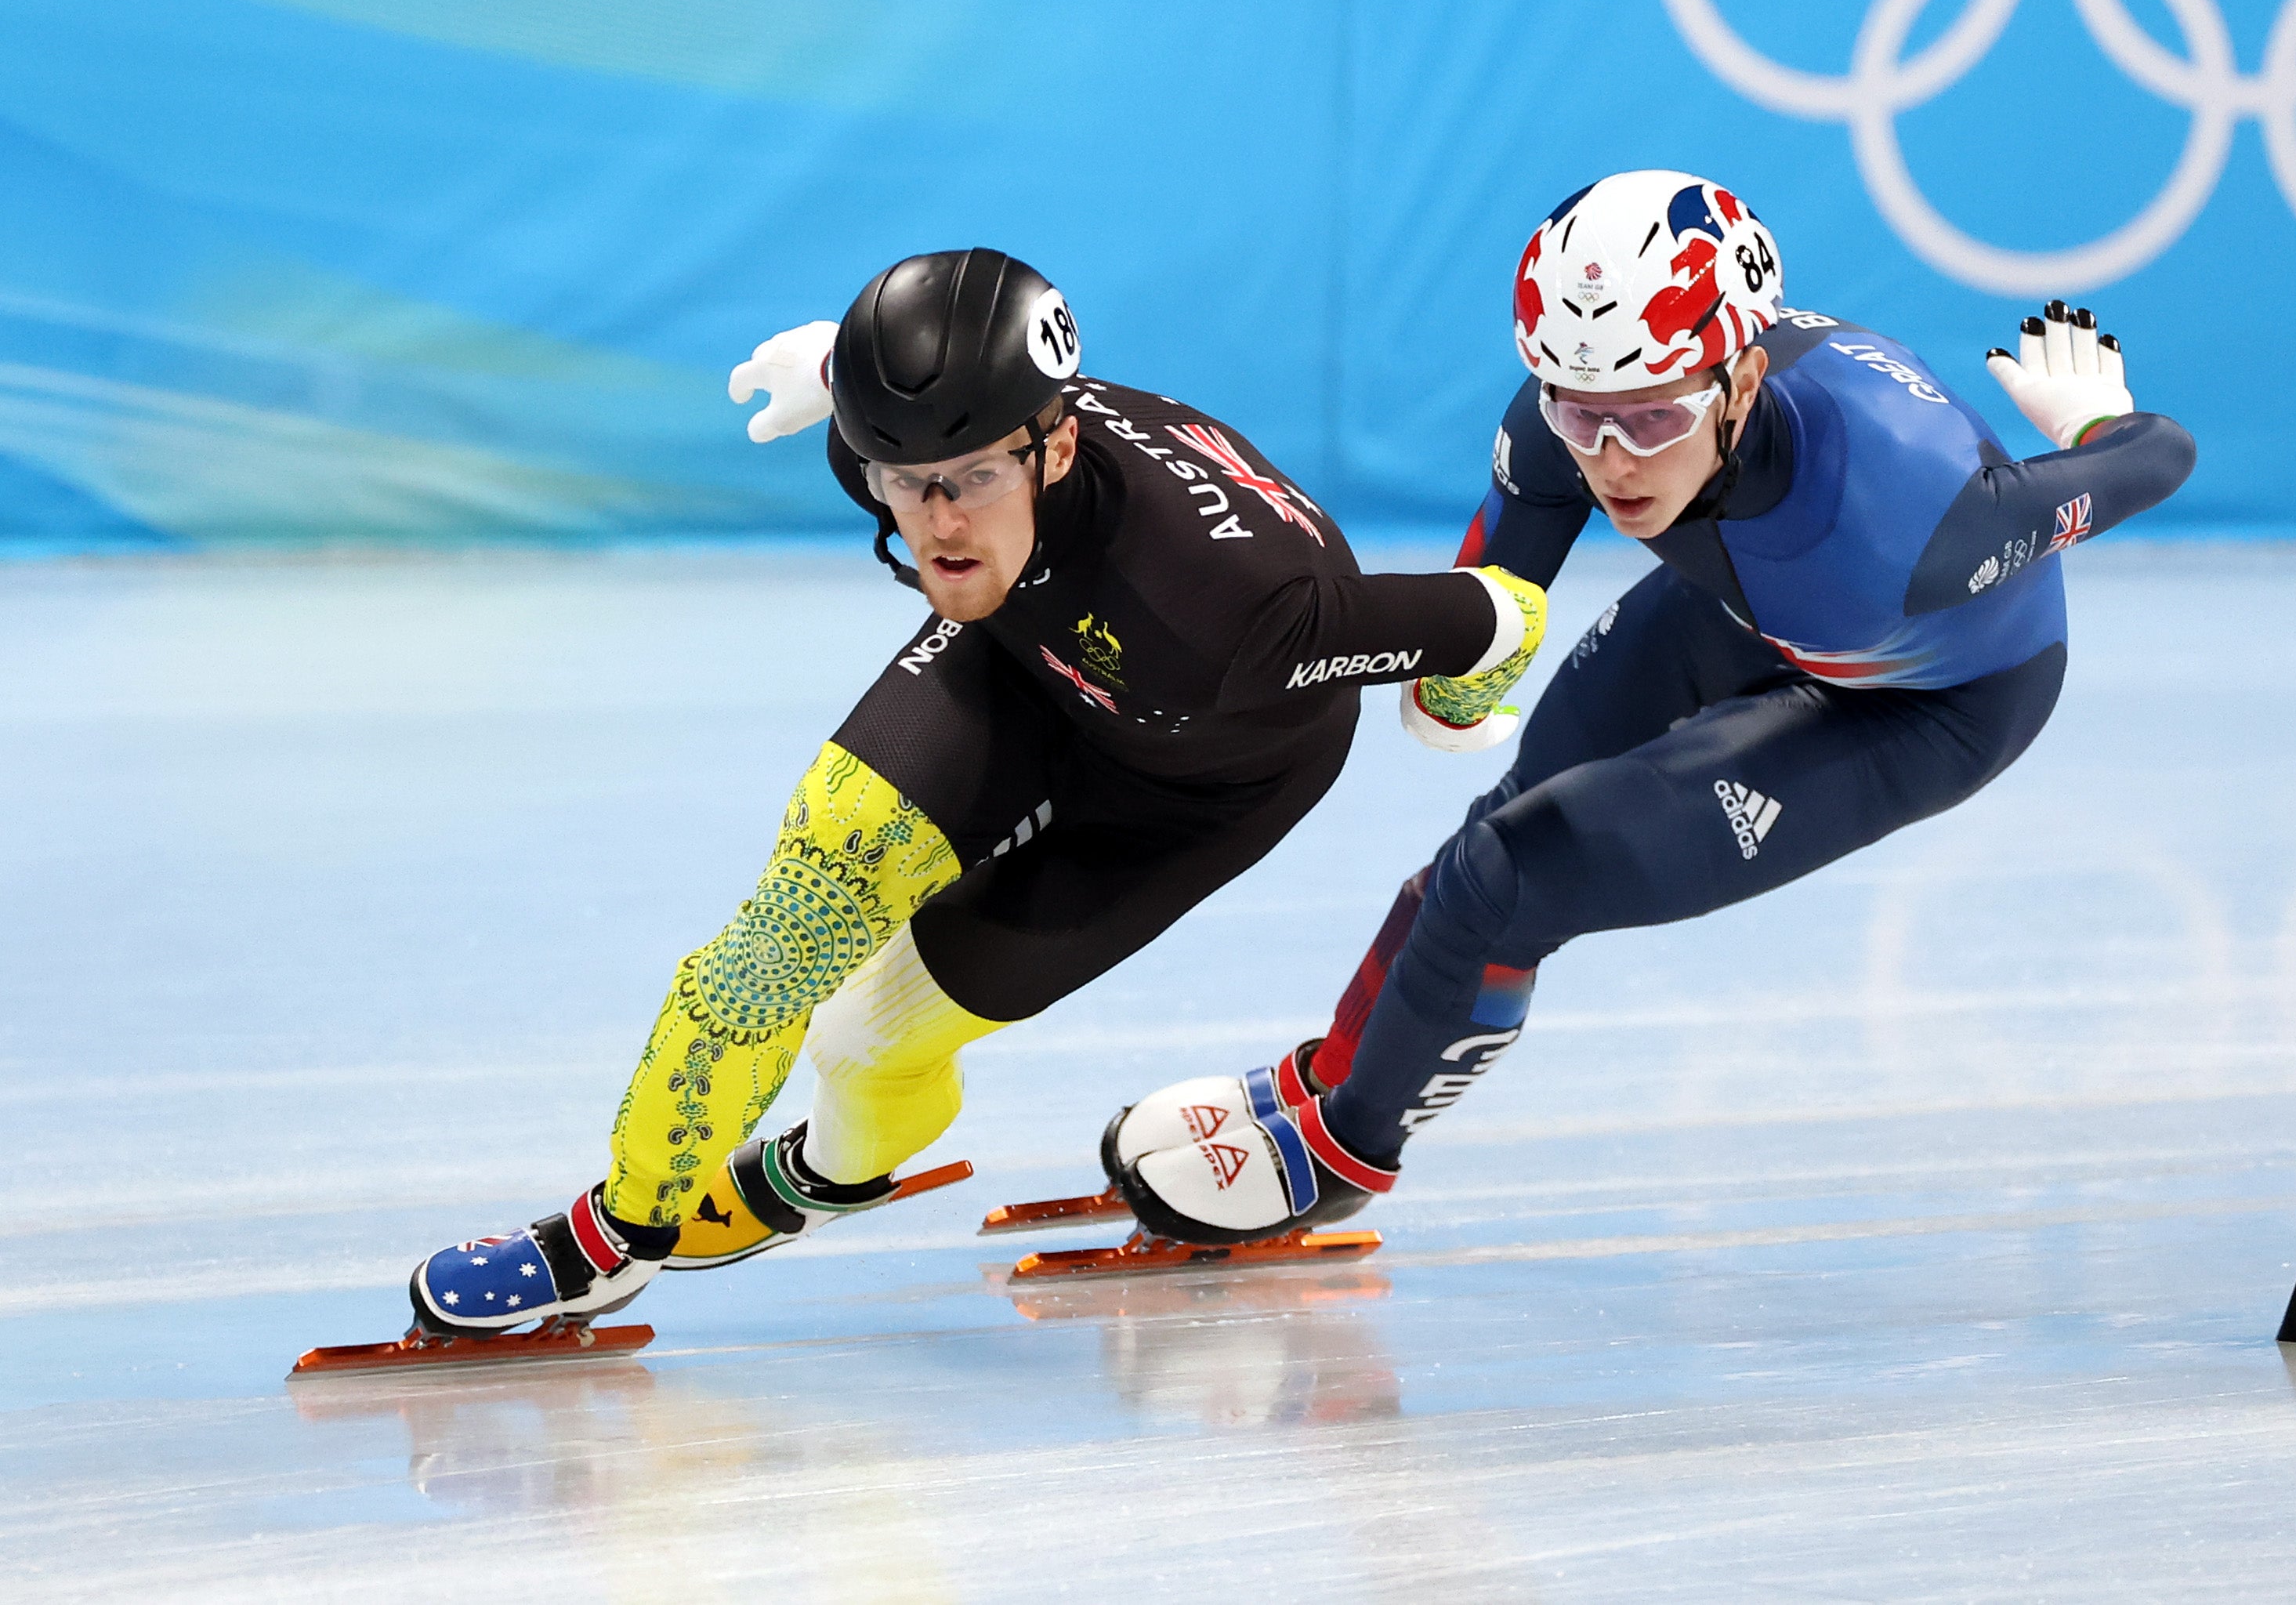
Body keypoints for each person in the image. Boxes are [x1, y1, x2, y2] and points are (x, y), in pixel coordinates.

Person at [406, 248, 1545, 1336]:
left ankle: (827, 1172)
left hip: (1198, 776)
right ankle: (616, 1234)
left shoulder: (1235, 608)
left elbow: (1499, 611)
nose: (939, 520)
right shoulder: (893, 447)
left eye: (973, 480)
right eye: (907, 483)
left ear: (1054, 447)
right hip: (1023, 665)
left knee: (864, 1044)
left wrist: (1453, 706)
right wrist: (837, 378)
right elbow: (919, 447)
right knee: (789, 924)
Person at [1098, 171, 2196, 1243]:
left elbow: (2162, 456)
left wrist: (2098, 428)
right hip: (1748, 599)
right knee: (1490, 833)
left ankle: (1340, 1155)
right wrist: (1454, 679)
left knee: (1511, 876)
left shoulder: (1920, 512)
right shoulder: (1568, 408)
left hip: (1930, 700)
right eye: (1581, 414)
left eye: (1654, 418)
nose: (1612, 460)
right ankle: (1340, 1066)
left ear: (1744, 379)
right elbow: (1500, 592)